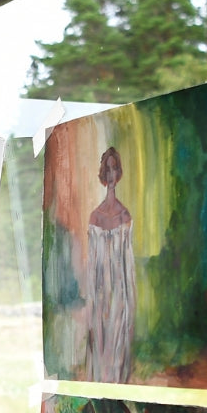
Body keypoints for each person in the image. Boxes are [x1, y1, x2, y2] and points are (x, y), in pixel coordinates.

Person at [85, 146, 136, 384]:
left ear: (119, 173)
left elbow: (127, 262)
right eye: (108, 168)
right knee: (100, 334)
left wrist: (125, 294)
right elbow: (93, 261)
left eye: (115, 168)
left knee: (116, 333)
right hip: (99, 289)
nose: (112, 173)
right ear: (103, 174)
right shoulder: (95, 216)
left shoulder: (125, 216)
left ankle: (115, 381)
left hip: (119, 287)